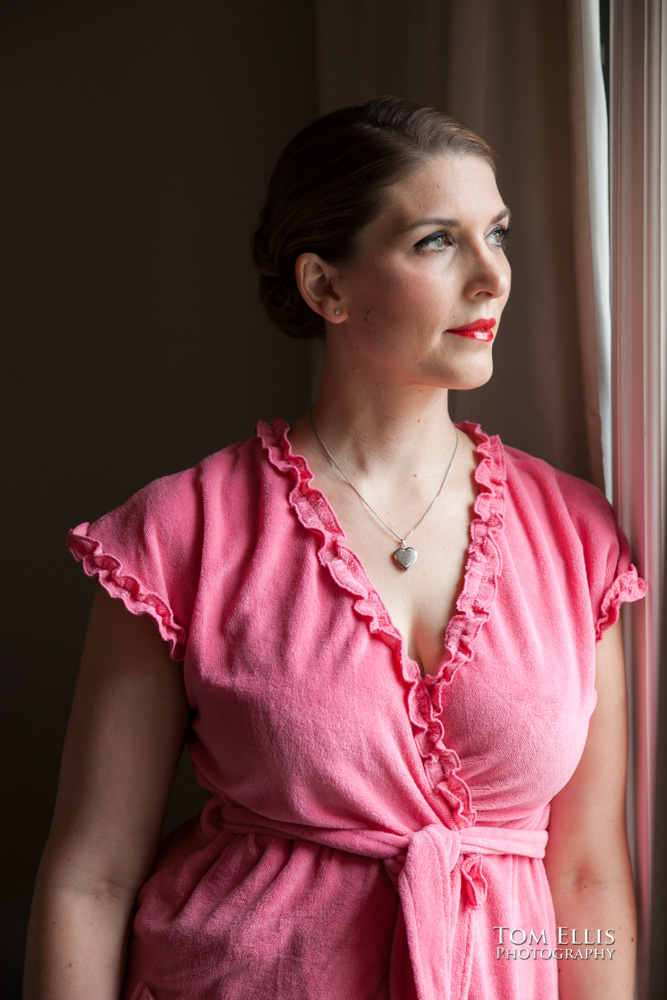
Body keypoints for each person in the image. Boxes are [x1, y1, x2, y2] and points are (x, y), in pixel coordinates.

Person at [24, 96, 645, 1000]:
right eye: (437, 241)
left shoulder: (575, 533)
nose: (491, 278)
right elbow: (92, 875)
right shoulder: (180, 533)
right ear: (325, 287)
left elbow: (587, 876)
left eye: (497, 235)